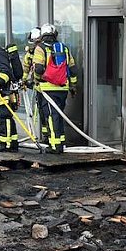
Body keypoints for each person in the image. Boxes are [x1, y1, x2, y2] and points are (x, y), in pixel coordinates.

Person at [32, 23, 78, 153]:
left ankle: (55, 145)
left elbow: (39, 68)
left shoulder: (40, 48)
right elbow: (73, 69)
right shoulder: (64, 48)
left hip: (47, 89)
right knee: (58, 114)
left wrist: (36, 80)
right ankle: (60, 140)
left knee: (51, 116)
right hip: (63, 88)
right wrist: (73, 86)